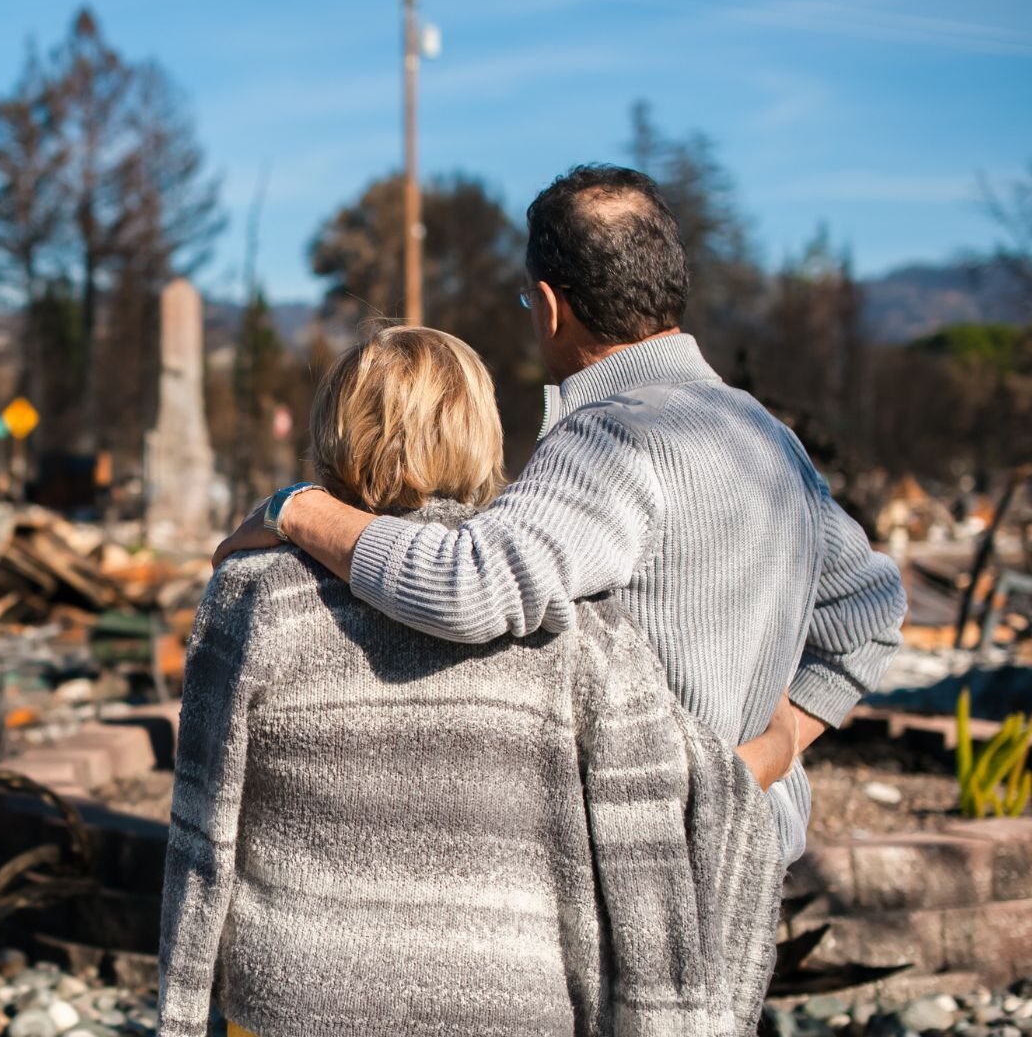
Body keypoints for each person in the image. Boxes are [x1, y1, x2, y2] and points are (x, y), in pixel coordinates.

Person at [215, 164, 907, 866]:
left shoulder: (614, 436)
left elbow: (467, 584)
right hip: (755, 857)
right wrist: (777, 744)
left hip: (652, 872)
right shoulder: (766, 437)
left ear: (549, 306)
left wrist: (296, 509)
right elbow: (871, 612)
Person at [160, 325, 782, 1037]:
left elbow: (202, 831)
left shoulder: (252, 597)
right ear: (481, 434)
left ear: (332, 431)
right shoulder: (575, 624)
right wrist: (780, 742)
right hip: (517, 1004)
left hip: (295, 1003)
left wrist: (182, 1012)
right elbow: (649, 829)